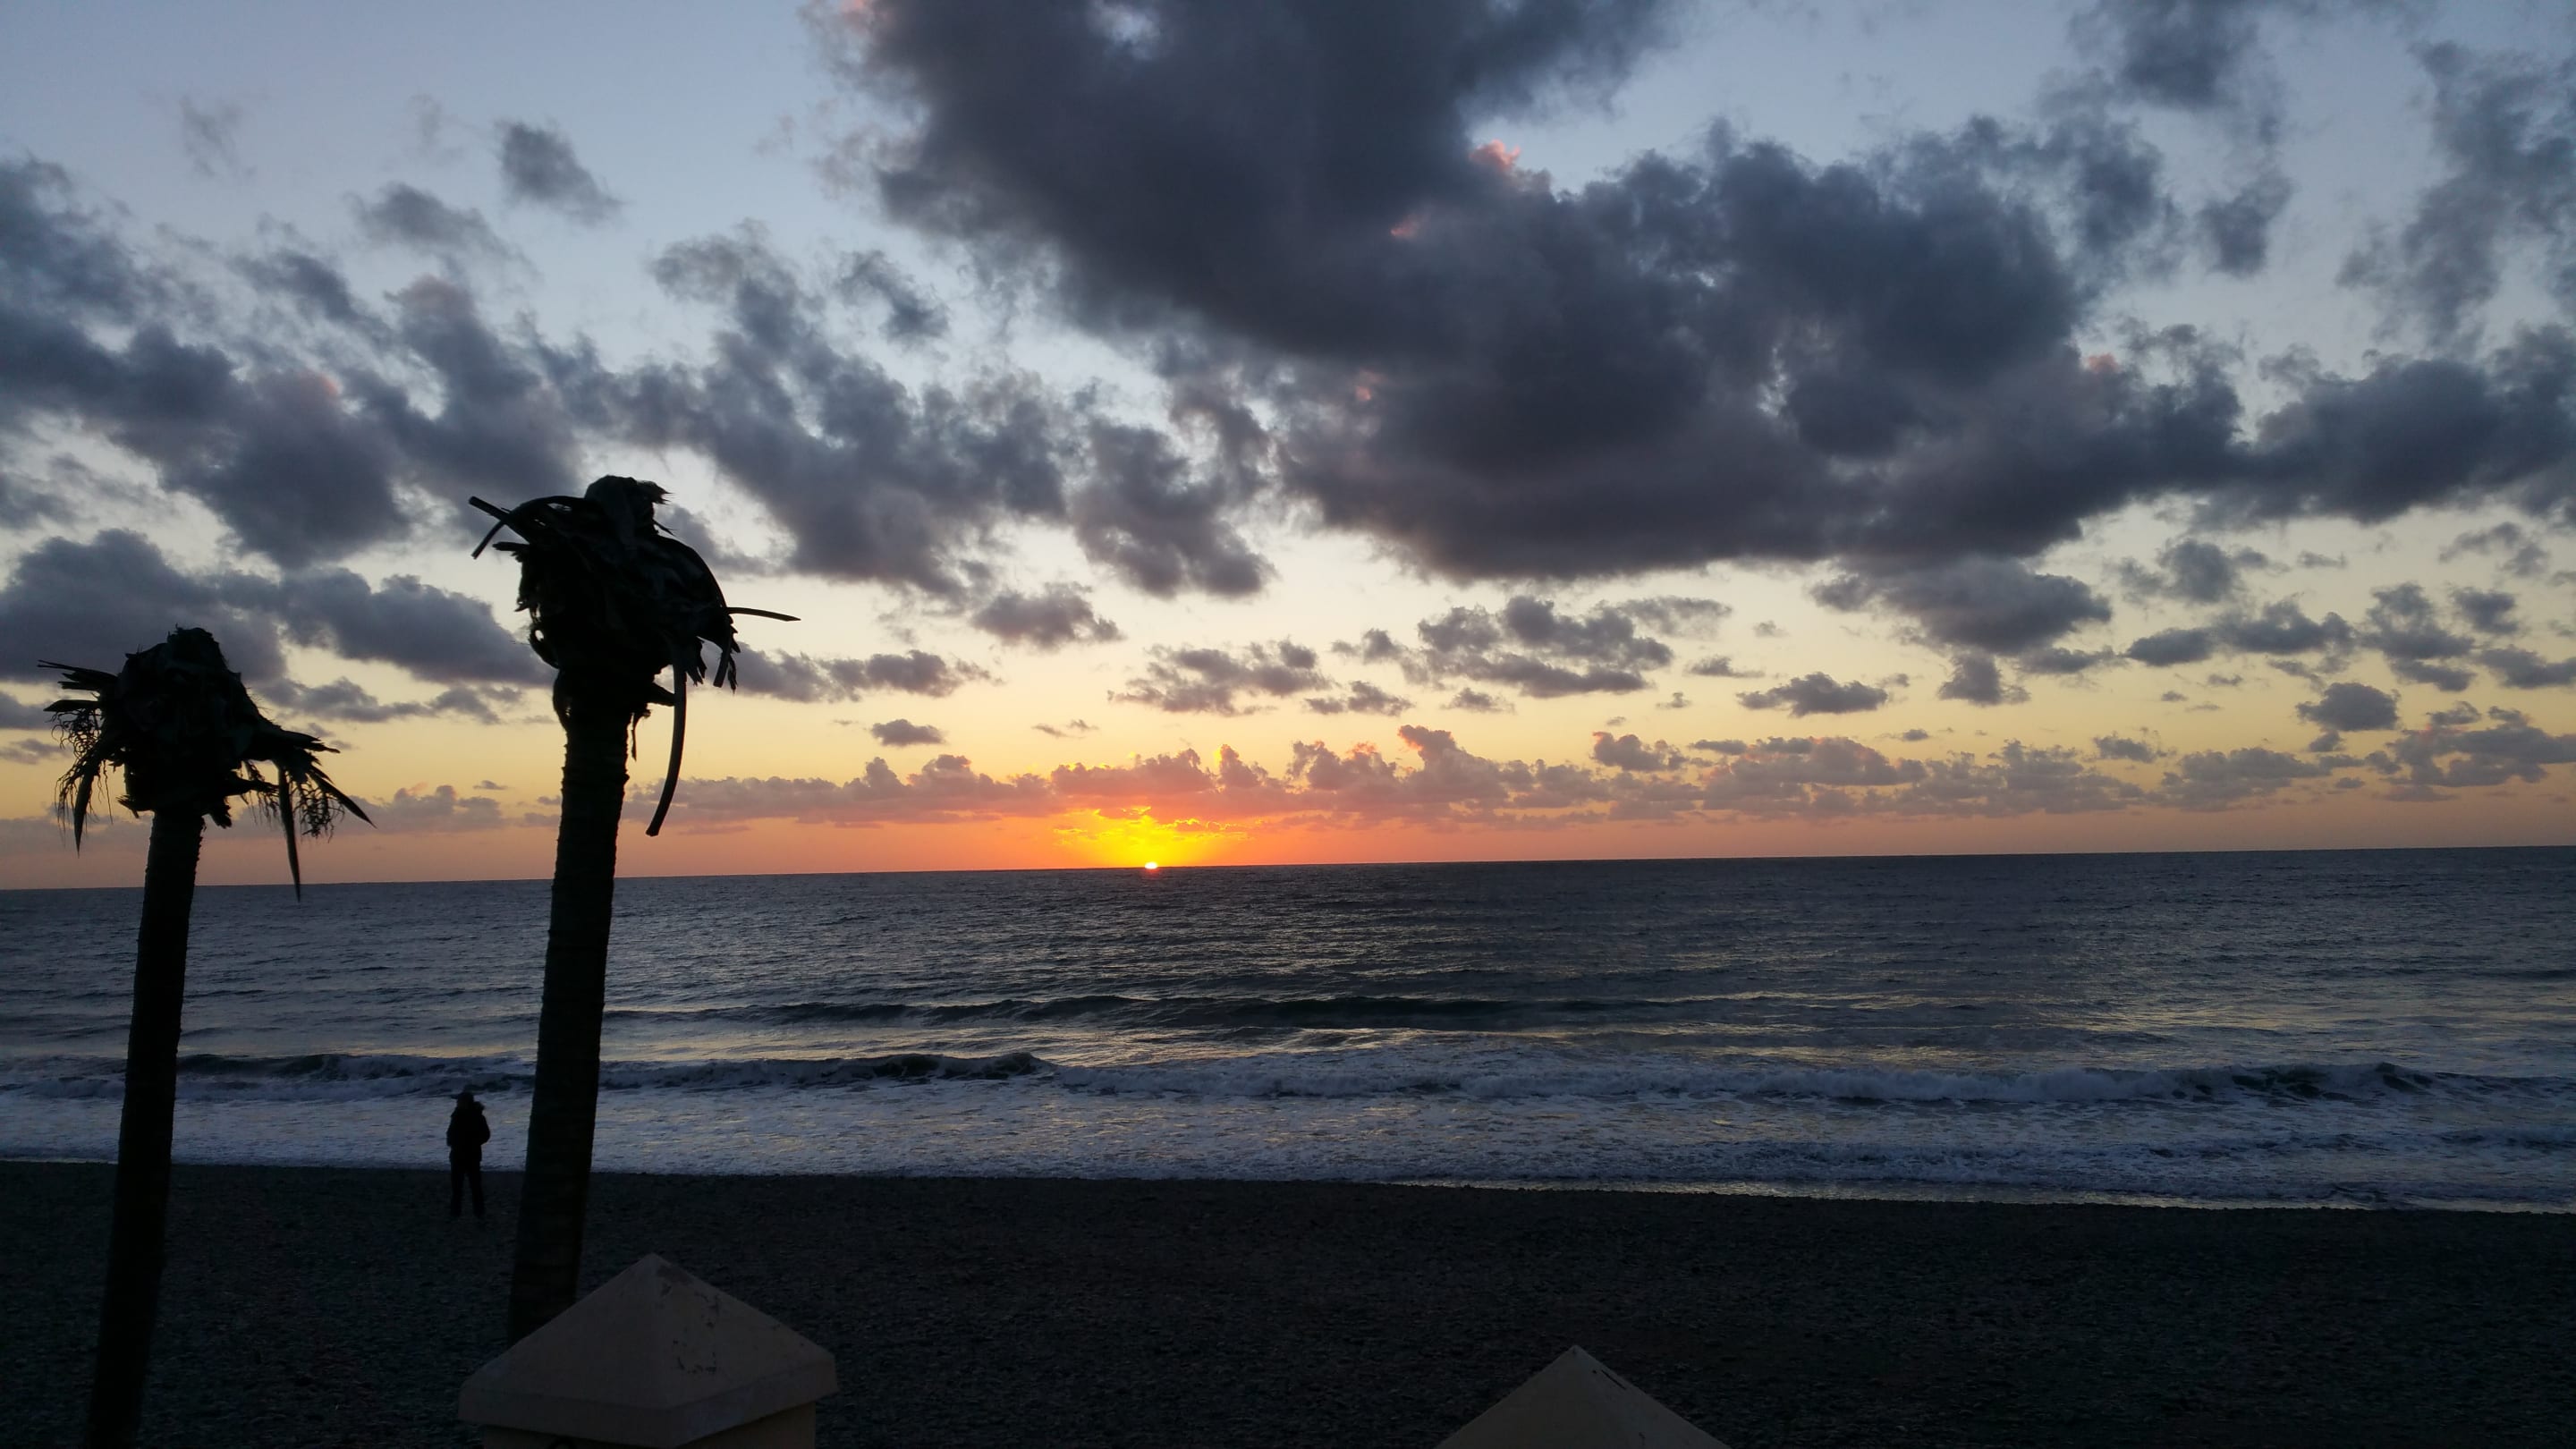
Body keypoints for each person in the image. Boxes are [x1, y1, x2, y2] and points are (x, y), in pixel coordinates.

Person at [446, 1089, 491, 1220]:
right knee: (459, 1187)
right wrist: (451, 1141)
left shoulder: (475, 1116)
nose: (457, 1103)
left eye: (459, 1101)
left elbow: (485, 1135)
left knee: (472, 1186)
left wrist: (471, 1143)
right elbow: (451, 1132)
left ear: (465, 1102)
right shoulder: (458, 1115)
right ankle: (458, 1212)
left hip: (469, 1155)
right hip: (462, 1155)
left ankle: (476, 1212)